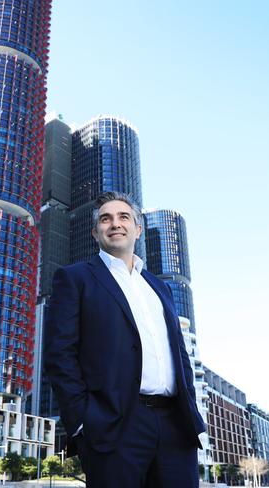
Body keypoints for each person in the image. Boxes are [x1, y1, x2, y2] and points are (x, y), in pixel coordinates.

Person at [43, 191, 206, 488]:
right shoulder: (75, 278)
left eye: (123, 217)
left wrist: (191, 411)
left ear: (137, 229)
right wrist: (82, 421)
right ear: (95, 232)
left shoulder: (160, 288)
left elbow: (180, 355)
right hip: (114, 425)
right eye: (106, 219)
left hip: (175, 426)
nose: (115, 223)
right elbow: (59, 354)